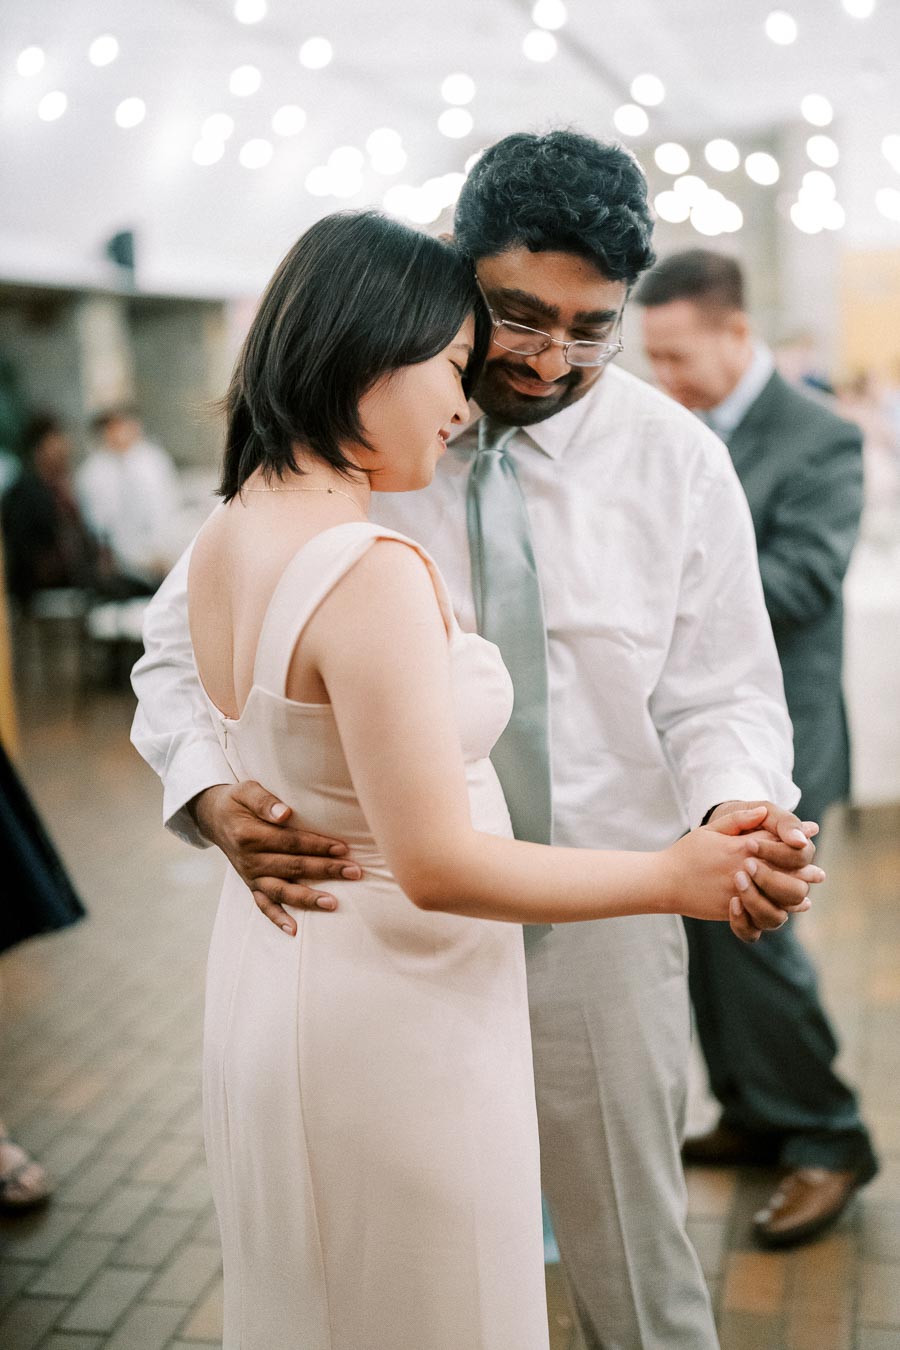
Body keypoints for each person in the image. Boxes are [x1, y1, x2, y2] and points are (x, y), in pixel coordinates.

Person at [133, 134, 822, 1349]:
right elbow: (181, 651)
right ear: (459, 272)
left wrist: (731, 816)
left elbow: (723, 691)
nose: (554, 359)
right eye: (519, 316)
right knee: (424, 1258)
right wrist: (210, 794)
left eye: (593, 328)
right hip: (388, 941)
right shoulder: (364, 445)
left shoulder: (675, 461)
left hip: (605, 919)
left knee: (637, 1266)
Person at [636, 247, 879, 1247]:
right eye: (650, 358)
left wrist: (652, 603)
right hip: (685, 739)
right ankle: (751, 1109)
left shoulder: (819, 436)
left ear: (738, 333)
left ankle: (831, 1137)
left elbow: (805, 582)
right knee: (703, 932)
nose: (665, 378)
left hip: (786, 735)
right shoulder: (667, 433)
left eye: (679, 354)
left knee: (757, 932)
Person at [76, 406, 181, 591]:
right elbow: (102, 526)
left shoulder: (153, 460)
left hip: (162, 555)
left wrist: (162, 551)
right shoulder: (93, 472)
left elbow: (166, 509)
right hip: (121, 563)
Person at [2, 415, 101, 603]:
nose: (65, 446)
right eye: (57, 439)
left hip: (77, 589)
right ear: (41, 447)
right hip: (45, 596)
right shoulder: (25, 493)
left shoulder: (60, 488)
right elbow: (26, 555)